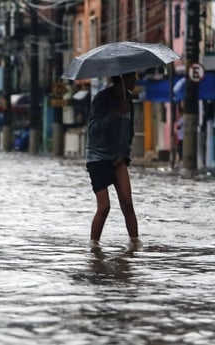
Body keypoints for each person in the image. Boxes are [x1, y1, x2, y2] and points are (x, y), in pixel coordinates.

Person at [85, 72, 140, 248]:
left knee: (127, 203)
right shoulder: (102, 99)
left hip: (118, 158)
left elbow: (129, 131)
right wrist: (116, 113)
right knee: (104, 206)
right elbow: (94, 129)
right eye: (132, 77)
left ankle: (135, 244)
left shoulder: (129, 99)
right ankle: (94, 247)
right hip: (98, 158)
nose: (136, 80)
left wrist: (124, 155)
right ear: (122, 79)